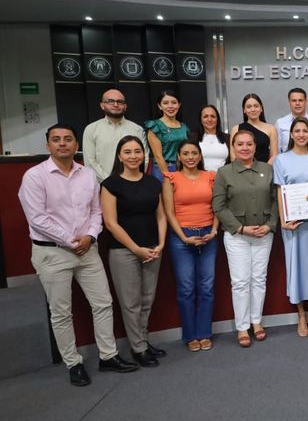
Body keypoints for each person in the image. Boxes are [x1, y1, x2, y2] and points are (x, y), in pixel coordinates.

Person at [18, 124, 139, 386]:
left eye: (68, 139)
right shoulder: (34, 176)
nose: (63, 144)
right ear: (48, 144)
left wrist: (91, 236)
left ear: (76, 145)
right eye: (56, 140)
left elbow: (96, 212)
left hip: (87, 250)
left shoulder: (87, 175)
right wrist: (70, 241)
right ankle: (73, 362)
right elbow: (37, 218)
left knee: (103, 304)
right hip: (52, 253)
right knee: (61, 312)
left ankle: (108, 356)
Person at [100, 136, 167, 367]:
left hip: (152, 249)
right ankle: (138, 348)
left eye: (137, 151)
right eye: (127, 152)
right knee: (131, 303)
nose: (133, 156)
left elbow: (161, 216)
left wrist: (160, 243)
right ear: (119, 156)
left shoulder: (152, 183)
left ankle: (143, 341)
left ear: (143, 155)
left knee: (147, 299)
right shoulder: (111, 185)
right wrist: (135, 249)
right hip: (124, 251)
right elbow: (111, 223)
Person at [213, 129, 278, 348]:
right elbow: (218, 206)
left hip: (263, 234)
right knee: (240, 282)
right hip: (237, 236)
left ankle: (256, 322)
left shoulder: (267, 169)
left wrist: (270, 226)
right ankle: (242, 326)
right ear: (233, 147)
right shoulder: (224, 172)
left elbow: (276, 201)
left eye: (249, 144)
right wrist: (240, 229)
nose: (245, 148)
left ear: (255, 146)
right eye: (240, 144)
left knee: (259, 279)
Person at [273, 117, 308, 338]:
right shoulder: (281, 160)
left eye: (305, 131)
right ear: (291, 135)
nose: (301, 134)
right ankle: (300, 314)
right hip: (292, 223)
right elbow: (279, 191)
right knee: (295, 266)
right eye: (297, 131)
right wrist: (282, 220)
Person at [163, 139, 219, 352]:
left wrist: (214, 231)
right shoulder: (171, 178)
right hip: (182, 237)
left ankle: (204, 332)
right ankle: (190, 335)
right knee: (186, 289)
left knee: (207, 287)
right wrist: (183, 237)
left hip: (208, 235)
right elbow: (169, 212)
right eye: (185, 153)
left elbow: (217, 206)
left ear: (200, 155)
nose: (190, 157)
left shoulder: (211, 177)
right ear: (178, 156)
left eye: (194, 153)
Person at [83, 88, 148, 183]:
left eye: (120, 102)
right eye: (110, 101)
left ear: (125, 106)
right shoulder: (91, 129)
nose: (116, 104)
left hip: (132, 185)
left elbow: (144, 158)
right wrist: (109, 182)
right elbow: (90, 162)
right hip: (101, 185)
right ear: (102, 105)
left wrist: (131, 179)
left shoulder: (137, 129)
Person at [145, 90, 190, 182]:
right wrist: (168, 176)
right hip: (162, 169)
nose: (170, 106)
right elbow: (158, 156)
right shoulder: (155, 126)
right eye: (165, 103)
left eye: (174, 102)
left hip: (182, 168)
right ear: (159, 106)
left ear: (179, 105)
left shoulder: (184, 127)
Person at [229, 93, 278, 164]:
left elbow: (274, 155)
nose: (253, 109)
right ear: (244, 110)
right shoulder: (236, 129)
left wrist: (265, 170)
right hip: (240, 171)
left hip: (264, 171)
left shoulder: (271, 129)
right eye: (249, 107)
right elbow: (233, 156)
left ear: (261, 108)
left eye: (256, 106)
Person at [276, 87, 308, 153]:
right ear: (289, 103)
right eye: (294, 100)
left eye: (300, 100)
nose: (297, 103)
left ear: (306, 102)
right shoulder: (280, 123)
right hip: (287, 162)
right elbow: (278, 151)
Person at [198, 104, 229, 172]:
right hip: (201, 179)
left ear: (217, 119)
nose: (209, 119)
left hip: (223, 179)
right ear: (200, 119)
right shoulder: (193, 138)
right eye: (205, 116)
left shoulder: (228, 138)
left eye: (213, 116)